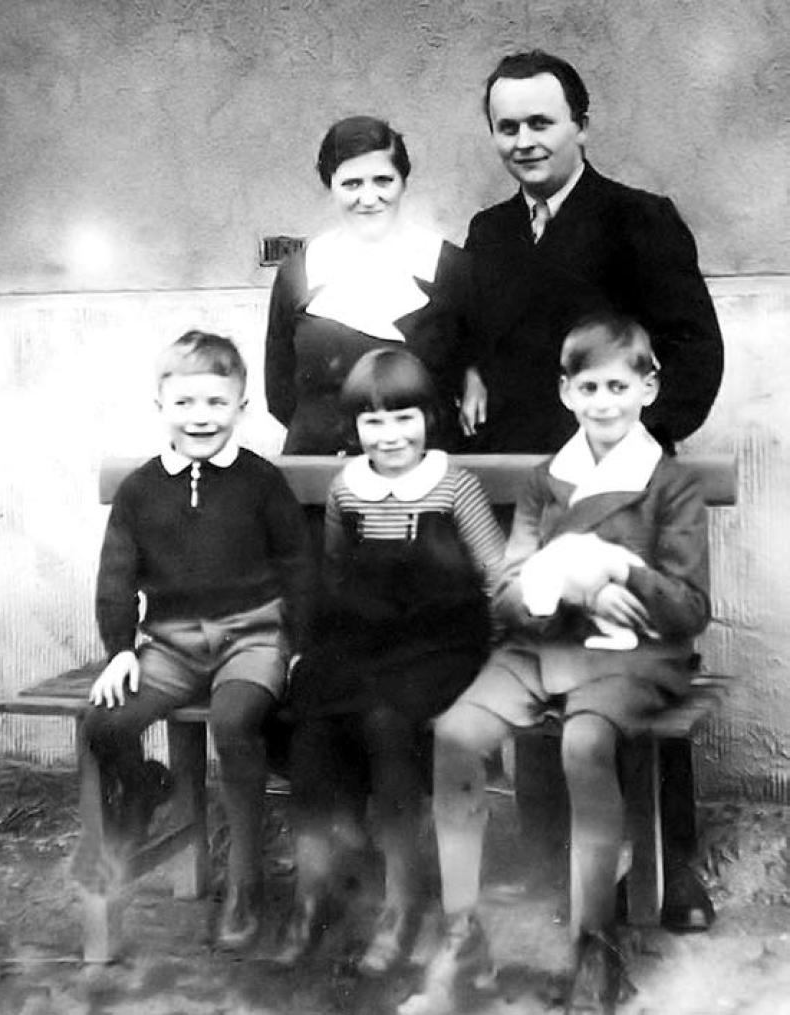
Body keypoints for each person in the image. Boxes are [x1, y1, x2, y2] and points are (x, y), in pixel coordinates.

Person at [461, 48, 723, 933]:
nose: (525, 141)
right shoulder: (490, 233)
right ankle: (554, 861)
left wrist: (641, 446)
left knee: (634, 661)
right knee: (541, 663)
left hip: (626, 491)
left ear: (581, 122)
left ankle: (670, 866)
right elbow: (474, 338)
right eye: (508, 126)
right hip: (535, 489)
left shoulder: (639, 219)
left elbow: (695, 349)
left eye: (542, 122)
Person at [400, 312, 711, 1015]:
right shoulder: (546, 482)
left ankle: (595, 945)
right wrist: (560, 580)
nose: (603, 402)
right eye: (588, 387)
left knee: (584, 740)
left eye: (617, 385)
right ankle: (462, 935)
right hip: (543, 644)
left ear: (648, 387)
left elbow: (689, 608)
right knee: (454, 735)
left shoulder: (670, 484)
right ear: (566, 393)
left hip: (636, 658)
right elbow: (509, 591)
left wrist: (619, 567)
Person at [77, 331, 314, 951]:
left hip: (251, 636)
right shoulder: (139, 490)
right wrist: (121, 648)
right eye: (184, 403)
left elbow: (297, 564)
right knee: (103, 722)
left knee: (237, 721)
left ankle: (245, 881)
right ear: (160, 407)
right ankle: (143, 789)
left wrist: (300, 643)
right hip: (171, 643)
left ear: (241, 406)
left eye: (215, 402)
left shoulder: (261, 483)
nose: (200, 417)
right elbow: (117, 575)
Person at [276, 348, 505, 974]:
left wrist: (504, 657)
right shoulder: (348, 489)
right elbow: (336, 572)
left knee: (386, 722)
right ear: (353, 432)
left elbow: (495, 574)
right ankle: (315, 891)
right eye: (373, 423)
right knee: (315, 720)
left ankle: (404, 902)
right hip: (367, 639)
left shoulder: (453, 484)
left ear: (430, 417)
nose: (392, 436)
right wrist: (309, 652)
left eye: (405, 418)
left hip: (442, 644)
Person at [264, 115, 482, 455]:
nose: (369, 198)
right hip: (320, 470)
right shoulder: (298, 272)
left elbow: (477, 356)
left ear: (403, 181)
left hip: (425, 474)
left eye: (383, 180)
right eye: (352, 184)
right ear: (330, 185)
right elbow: (279, 391)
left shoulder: (450, 267)